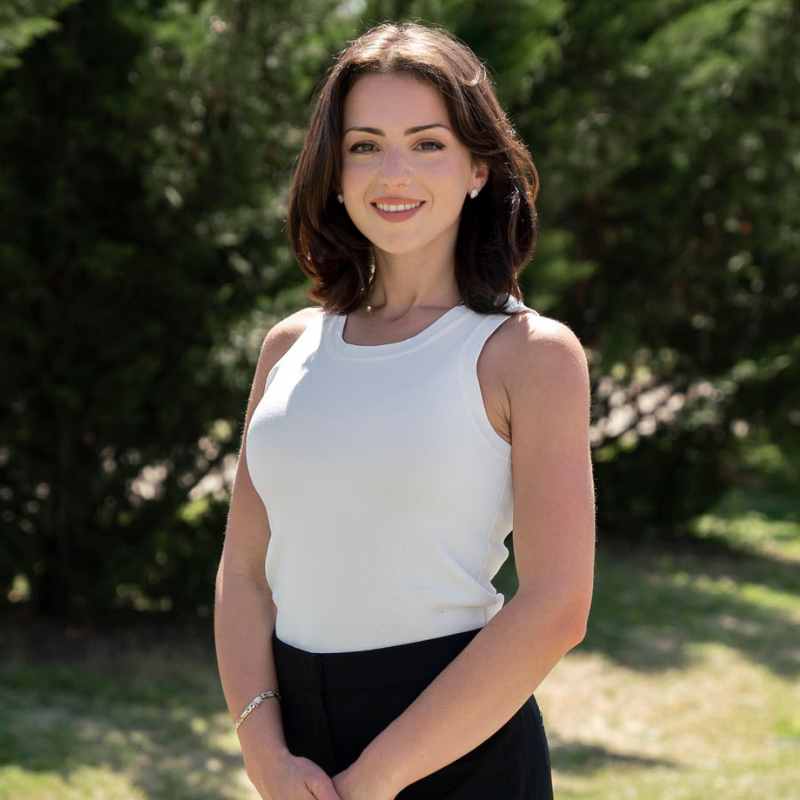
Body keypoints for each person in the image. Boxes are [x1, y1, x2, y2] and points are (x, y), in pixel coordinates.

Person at [214, 19, 595, 800]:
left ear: (479, 168)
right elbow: (243, 575)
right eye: (364, 145)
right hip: (297, 755)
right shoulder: (288, 348)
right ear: (335, 167)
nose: (393, 173)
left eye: (427, 143)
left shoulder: (530, 354)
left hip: (459, 746)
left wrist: (380, 777)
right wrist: (265, 756)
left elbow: (557, 605)